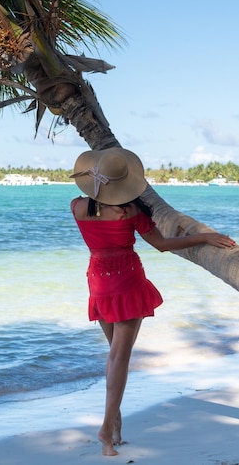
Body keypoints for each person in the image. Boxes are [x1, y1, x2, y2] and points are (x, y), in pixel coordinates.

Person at [70, 147, 236, 457]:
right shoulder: (130, 212)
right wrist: (204, 237)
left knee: (113, 355)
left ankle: (115, 422)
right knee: (120, 357)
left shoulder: (77, 207)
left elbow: (96, 222)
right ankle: (106, 429)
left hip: (98, 281)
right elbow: (161, 245)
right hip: (127, 281)